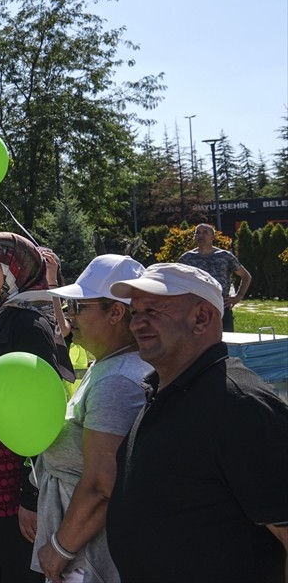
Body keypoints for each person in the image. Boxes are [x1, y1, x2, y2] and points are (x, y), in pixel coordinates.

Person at [106, 263, 288, 583]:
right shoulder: (165, 391)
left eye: (153, 310)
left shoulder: (240, 405)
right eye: (135, 312)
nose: (136, 323)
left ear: (201, 317)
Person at [30, 254, 149, 583]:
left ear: (116, 313)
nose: (70, 315)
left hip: (91, 557)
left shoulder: (117, 382)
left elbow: (101, 485)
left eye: (79, 306)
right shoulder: (110, 364)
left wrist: (60, 548)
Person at [0, 233, 70, 583]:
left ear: (17, 272)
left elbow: (42, 419)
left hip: (14, 497)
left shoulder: (28, 326)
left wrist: (30, 497)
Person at [177, 222, 252, 332]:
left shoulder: (224, 256)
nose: (201, 235)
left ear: (213, 237)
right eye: (198, 232)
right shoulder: (187, 258)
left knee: (226, 340)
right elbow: (178, 280)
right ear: (194, 237)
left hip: (221, 307)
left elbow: (246, 276)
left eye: (205, 232)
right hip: (196, 309)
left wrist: (238, 296)